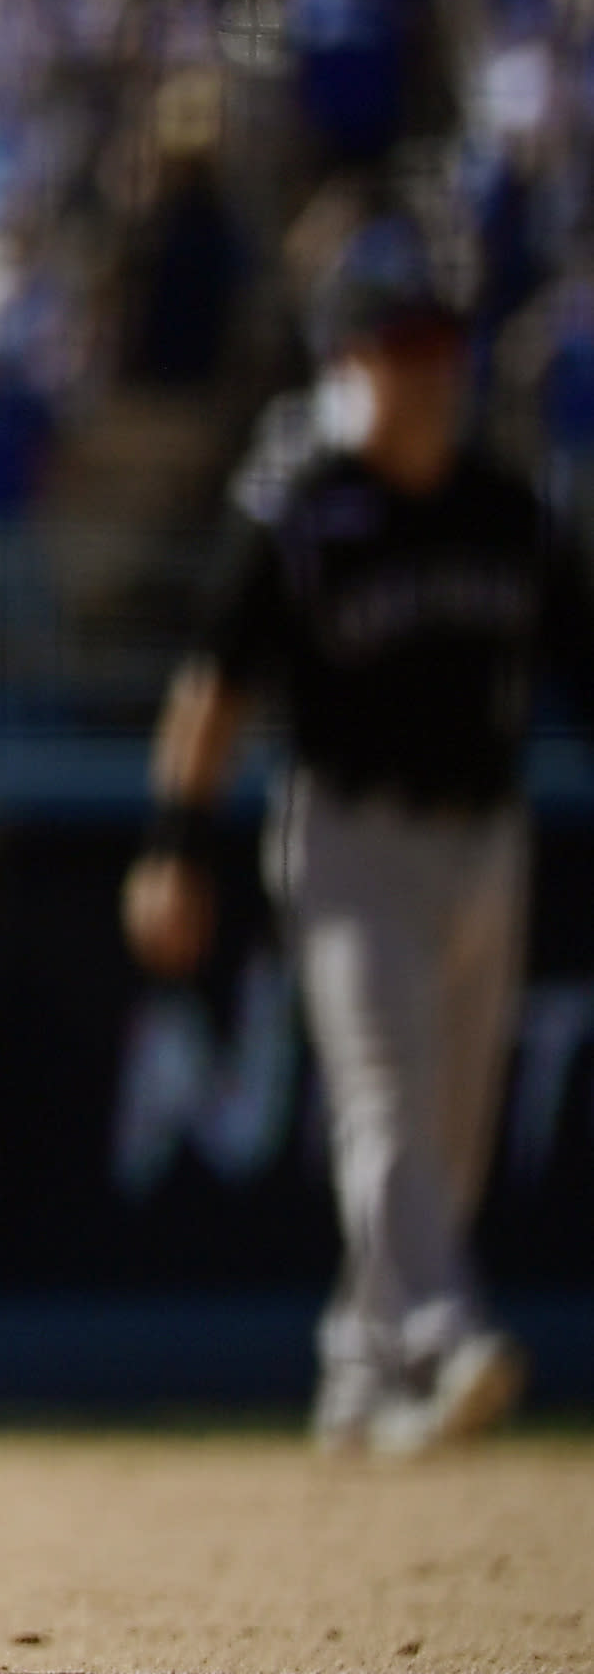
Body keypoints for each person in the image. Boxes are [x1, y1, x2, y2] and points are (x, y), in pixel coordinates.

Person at [126, 214, 594, 1457]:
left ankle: (358, 1367)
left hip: (483, 838)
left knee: (454, 1130)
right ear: (349, 368)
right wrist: (174, 842)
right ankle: (446, 1331)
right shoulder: (305, 514)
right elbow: (210, 689)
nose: (425, 370)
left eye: (438, 345)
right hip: (347, 837)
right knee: (386, 1099)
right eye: (398, 349)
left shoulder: (510, 511)